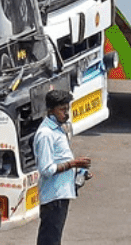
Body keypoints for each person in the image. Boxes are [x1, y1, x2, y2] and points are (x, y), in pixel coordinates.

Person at [35, 89, 91, 245]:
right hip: (54, 197)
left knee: (54, 238)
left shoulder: (59, 129)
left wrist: (78, 172)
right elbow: (46, 169)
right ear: (51, 111)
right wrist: (73, 164)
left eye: (67, 109)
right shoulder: (46, 134)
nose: (66, 114)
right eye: (62, 110)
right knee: (50, 240)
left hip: (62, 194)